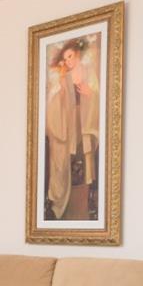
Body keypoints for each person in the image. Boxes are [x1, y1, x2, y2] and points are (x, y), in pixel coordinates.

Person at [43, 37, 98, 220]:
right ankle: (62, 206)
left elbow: (101, 98)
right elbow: (55, 105)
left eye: (70, 56)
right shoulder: (64, 78)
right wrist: (62, 88)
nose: (68, 61)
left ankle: (85, 206)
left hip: (85, 123)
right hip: (69, 124)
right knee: (67, 163)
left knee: (84, 164)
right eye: (65, 58)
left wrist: (90, 94)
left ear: (78, 54)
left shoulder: (89, 73)